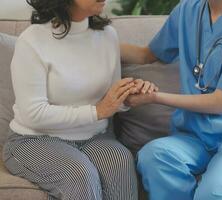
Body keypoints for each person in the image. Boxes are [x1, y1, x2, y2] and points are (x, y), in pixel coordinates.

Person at [121, 0, 222, 199]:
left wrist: (154, 97)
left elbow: (220, 103)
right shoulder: (188, 10)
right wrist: (96, 41)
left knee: (216, 192)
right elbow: (147, 55)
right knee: (154, 156)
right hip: (194, 135)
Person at [2, 0, 157, 199]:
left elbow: (108, 101)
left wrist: (127, 96)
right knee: (79, 175)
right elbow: (33, 114)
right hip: (34, 139)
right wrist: (97, 111)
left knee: (120, 161)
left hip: (95, 136)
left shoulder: (107, 36)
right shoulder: (32, 41)